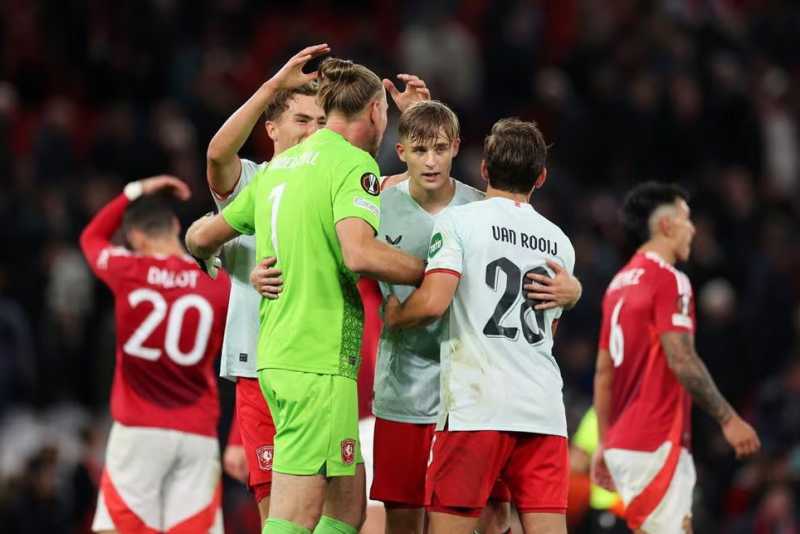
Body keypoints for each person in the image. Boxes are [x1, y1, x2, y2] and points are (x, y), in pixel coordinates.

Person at [185, 56, 426, 534]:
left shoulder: (278, 172)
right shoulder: (350, 164)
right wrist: (430, 271)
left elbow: (200, 238)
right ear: (377, 112)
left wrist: (212, 249)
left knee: (347, 505)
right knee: (293, 514)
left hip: (286, 357)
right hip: (312, 358)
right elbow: (358, 252)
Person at [370, 101, 581, 534]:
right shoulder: (560, 242)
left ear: (483, 169)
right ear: (541, 177)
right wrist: (575, 293)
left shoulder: (460, 220)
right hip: (542, 407)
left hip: (476, 403)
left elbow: (432, 302)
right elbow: (551, 326)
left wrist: (396, 314)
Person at [592, 181, 761, 533]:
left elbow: (604, 373)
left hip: (624, 444)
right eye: (687, 219)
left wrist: (604, 444)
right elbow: (682, 359)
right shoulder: (670, 280)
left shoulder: (618, 284)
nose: (693, 229)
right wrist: (728, 419)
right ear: (666, 225)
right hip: (656, 441)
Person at [206, 44, 329, 522]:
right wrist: (272, 87)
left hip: (318, 369)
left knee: (332, 512)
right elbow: (218, 153)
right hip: (258, 368)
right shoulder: (251, 182)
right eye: (301, 120)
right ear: (271, 129)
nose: (313, 131)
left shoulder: (331, 186)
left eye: (321, 122)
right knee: (276, 512)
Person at [79, 175, 231, 533]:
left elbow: (91, 237)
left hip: (137, 430)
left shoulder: (127, 269)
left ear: (135, 238)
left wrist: (135, 190)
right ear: (176, 226)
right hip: (197, 433)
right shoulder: (218, 284)